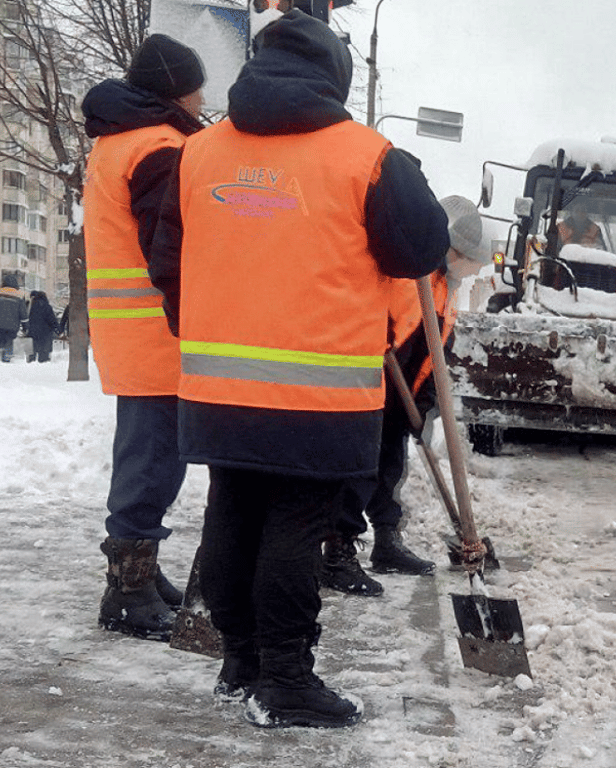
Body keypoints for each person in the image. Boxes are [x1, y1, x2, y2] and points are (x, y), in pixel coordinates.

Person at [148, 10, 448, 729]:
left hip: (218, 385)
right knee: (294, 528)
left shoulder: (199, 152)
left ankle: (241, 661)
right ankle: (283, 679)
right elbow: (420, 250)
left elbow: (165, 259)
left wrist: (209, 330)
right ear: (335, 78)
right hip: (319, 393)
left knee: (231, 512)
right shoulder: (368, 156)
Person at [81, 32, 206, 641]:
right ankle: (127, 591)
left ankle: (140, 574)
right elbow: (170, 249)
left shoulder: (118, 141)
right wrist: (196, 318)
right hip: (159, 329)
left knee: (147, 457)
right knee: (152, 463)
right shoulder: (158, 147)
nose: (203, 98)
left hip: (134, 328)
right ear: (176, 90)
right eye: (197, 87)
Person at [324, 197, 486, 596]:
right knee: (359, 472)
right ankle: (337, 554)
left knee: (390, 470)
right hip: (373, 385)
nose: (468, 267)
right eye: (465, 257)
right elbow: (376, 315)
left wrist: (425, 402)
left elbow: (437, 350)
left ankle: (386, 542)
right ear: (449, 247)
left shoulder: (447, 287)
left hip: (403, 397)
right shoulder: (411, 272)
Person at [25, 291, 59, 363]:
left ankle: (31, 363)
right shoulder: (47, 307)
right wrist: (58, 329)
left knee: (32, 352)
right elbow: (52, 320)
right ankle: (43, 363)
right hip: (45, 333)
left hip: (33, 332)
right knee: (44, 354)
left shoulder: (31, 307)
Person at [0, 273, 25, 363]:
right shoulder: (19, 295)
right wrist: (25, 326)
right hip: (12, 326)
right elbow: (23, 314)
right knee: (9, 341)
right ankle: (7, 359)